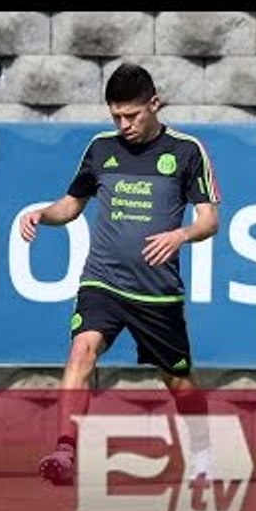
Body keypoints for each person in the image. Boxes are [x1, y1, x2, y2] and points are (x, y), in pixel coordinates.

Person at [21, 62, 221, 486]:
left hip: (156, 292)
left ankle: (203, 453)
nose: (124, 124)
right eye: (116, 117)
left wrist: (180, 235)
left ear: (154, 104)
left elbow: (210, 220)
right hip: (102, 281)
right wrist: (43, 215)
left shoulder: (187, 151)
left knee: (179, 383)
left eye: (131, 115)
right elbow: (71, 204)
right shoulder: (100, 149)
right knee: (82, 351)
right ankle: (65, 451)